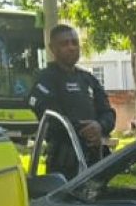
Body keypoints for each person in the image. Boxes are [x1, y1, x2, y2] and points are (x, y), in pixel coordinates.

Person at [28, 24, 116, 178]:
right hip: (63, 162)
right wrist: (86, 130)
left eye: (74, 43)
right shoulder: (44, 79)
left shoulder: (88, 79)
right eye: (64, 44)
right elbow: (53, 118)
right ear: (52, 48)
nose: (71, 47)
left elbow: (108, 113)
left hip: (96, 160)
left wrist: (100, 126)